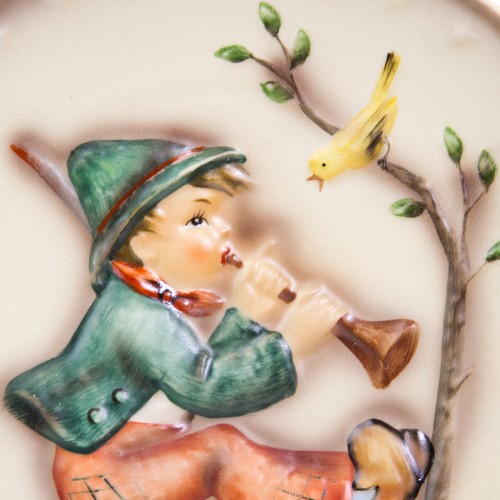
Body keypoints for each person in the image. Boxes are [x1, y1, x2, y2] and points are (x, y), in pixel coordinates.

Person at [5, 138, 430, 498]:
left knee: (253, 453)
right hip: (102, 480)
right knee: (221, 450)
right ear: (144, 246)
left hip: (139, 460)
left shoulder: (149, 301)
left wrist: (246, 314)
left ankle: (370, 472)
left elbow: (200, 368)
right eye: (198, 219)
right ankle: (357, 492)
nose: (223, 230)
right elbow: (206, 389)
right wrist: (289, 343)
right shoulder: (137, 315)